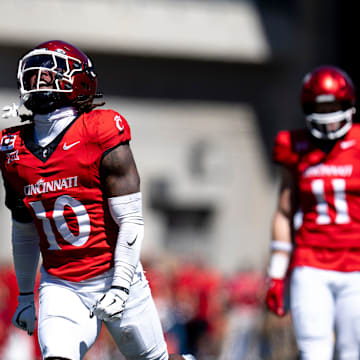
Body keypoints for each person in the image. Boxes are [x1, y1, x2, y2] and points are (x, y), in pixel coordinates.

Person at [0, 40, 195, 360]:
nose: (37, 79)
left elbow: (130, 219)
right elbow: (24, 227)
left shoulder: (100, 130)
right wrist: (24, 295)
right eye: (33, 74)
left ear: (79, 80)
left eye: (48, 73)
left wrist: (120, 286)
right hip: (61, 284)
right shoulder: (12, 148)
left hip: (114, 272)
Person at [265, 65, 360, 360]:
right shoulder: (294, 145)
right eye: (322, 107)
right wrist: (276, 274)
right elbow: (284, 210)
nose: (329, 117)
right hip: (311, 262)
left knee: (351, 351)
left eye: (334, 106)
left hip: (357, 263)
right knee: (313, 351)